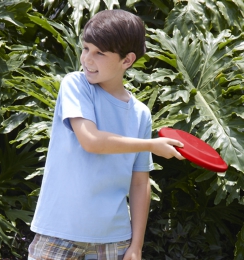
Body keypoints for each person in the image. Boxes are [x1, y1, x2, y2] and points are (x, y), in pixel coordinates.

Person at [28, 9, 184, 260]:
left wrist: (136, 246)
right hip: (58, 232)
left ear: (127, 60)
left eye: (100, 53)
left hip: (114, 240)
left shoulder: (141, 114)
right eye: (86, 48)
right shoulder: (76, 85)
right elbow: (91, 140)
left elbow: (139, 183)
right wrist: (151, 145)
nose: (88, 59)